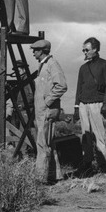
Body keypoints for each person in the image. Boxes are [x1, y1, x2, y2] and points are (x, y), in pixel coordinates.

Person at [73, 37, 106, 174]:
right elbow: (79, 87)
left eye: (87, 50)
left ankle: (104, 166)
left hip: (97, 104)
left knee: (100, 136)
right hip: (83, 105)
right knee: (85, 137)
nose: (84, 52)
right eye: (83, 50)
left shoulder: (105, 64)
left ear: (95, 49)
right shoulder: (83, 68)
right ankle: (88, 165)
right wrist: (76, 107)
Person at [31, 39, 67, 183]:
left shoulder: (52, 65)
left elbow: (62, 86)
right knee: (48, 144)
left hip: (47, 110)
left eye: (35, 50)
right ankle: (55, 175)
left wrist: (47, 102)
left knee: (42, 144)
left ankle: (40, 178)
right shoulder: (44, 65)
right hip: (42, 111)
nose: (33, 53)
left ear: (42, 51)